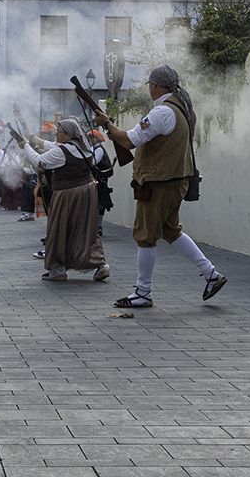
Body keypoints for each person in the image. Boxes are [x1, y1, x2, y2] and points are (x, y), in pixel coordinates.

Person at [95, 65, 226, 308]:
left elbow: (129, 140)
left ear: (156, 86)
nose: (149, 89)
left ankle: (143, 292)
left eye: (150, 85)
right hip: (173, 181)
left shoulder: (162, 112)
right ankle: (211, 274)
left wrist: (108, 125)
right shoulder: (177, 108)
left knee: (145, 236)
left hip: (159, 182)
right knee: (170, 231)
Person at [18, 118, 109, 282]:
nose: (55, 134)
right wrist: (28, 135)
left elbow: (40, 162)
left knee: (59, 229)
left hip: (67, 194)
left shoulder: (62, 151)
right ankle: (101, 265)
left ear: (67, 134)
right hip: (87, 193)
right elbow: (46, 144)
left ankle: (57, 269)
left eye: (58, 132)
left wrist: (25, 146)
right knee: (87, 230)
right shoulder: (84, 147)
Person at [88, 128, 114, 235]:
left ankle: (98, 226)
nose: (89, 139)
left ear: (96, 139)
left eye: (91, 138)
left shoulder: (99, 149)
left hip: (100, 179)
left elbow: (93, 162)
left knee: (100, 203)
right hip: (95, 178)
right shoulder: (92, 148)